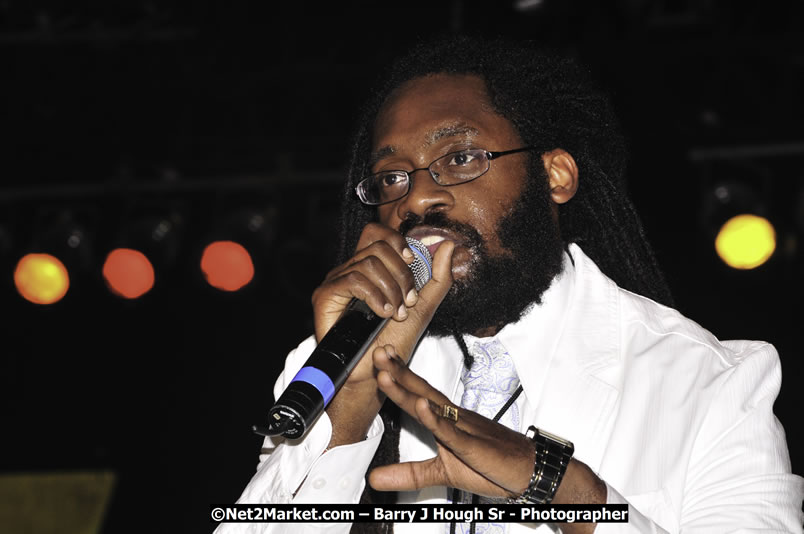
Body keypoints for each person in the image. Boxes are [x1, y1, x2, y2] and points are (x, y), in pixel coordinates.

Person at [216, 36, 804, 533]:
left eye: (462, 157)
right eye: (392, 175)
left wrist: (576, 501)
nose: (417, 197)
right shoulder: (328, 365)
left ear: (554, 175)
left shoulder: (710, 383)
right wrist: (348, 414)